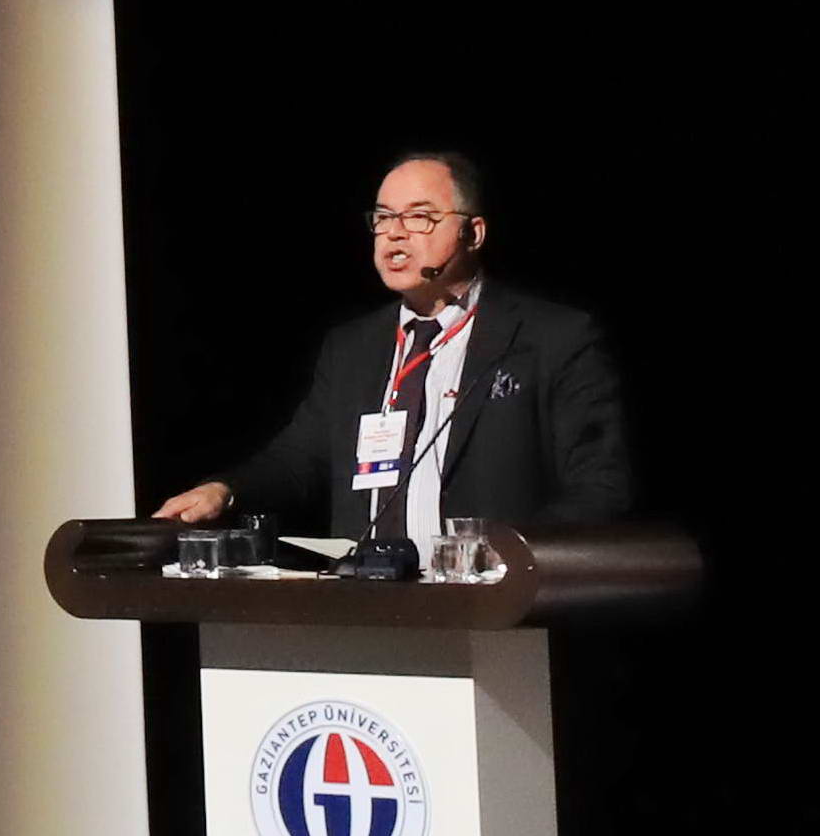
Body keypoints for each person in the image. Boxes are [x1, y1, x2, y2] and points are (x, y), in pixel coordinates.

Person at [154, 150, 637, 547]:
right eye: (383, 218)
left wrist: (512, 560)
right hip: (374, 605)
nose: (394, 233)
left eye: (420, 217)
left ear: (473, 233)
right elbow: (300, 460)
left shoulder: (550, 338)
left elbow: (600, 488)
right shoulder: (352, 348)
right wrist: (224, 490)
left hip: (494, 607)